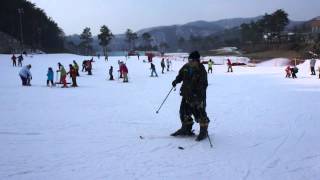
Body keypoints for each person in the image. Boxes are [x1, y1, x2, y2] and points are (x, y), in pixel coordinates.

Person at [171, 51, 210, 141]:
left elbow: (203, 85)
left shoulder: (201, 71)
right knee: (183, 112)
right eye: (189, 59)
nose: (189, 62)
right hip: (186, 94)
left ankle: (204, 131)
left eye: (191, 60)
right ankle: (186, 128)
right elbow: (180, 75)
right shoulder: (186, 67)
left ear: (197, 60)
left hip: (198, 96)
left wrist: (197, 95)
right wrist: (176, 81)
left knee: (200, 114)